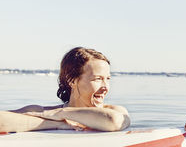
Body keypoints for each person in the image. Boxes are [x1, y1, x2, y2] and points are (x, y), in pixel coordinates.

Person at [0, 47, 130, 132]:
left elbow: (114, 122)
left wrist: (62, 113)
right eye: (97, 79)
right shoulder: (44, 113)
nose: (105, 87)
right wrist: (58, 124)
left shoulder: (114, 111)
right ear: (71, 80)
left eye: (108, 79)